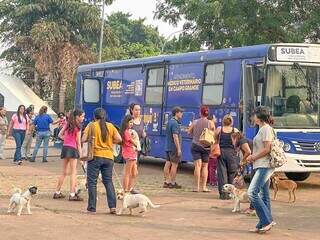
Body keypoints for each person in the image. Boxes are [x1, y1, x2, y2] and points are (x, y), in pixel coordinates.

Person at [82, 108, 122, 214]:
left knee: (92, 182)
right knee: (108, 181)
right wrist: (109, 141)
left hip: (95, 156)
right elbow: (119, 139)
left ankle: (92, 208)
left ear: (95, 117)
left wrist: (91, 139)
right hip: (109, 156)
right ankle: (112, 206)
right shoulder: (110, 126)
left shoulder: (91, 125)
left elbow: (83, 139)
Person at [246, 106, 275, 233]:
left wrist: (253, 157)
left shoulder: (266, 129)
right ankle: (264, 222)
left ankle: (266, 221)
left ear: (258, 117)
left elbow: (267, 148)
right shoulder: (262, 129)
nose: (253, 117)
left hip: (264, 165)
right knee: (264, 195)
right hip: (260, 164)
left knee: (252, 192)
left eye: (254, 115)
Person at [53, 109, 85, 201]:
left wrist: (66, 139)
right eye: (82, 116)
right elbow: (78, 143)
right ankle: (72, 194)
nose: (83, 118)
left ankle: (57, 192)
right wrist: (81, 157)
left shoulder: (67, 124)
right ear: (77, 116)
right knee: (73, 172)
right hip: (73, 149)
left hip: (65, 147)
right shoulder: (78, 127)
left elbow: (59, 134)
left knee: (64, 172)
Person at [188, 105, 215, 192]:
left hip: (195, 145)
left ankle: (196, 187)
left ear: (200, 113)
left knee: (197, 166)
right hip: (206, 147)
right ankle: (204, 187)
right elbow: (214, 134)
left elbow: (189, 132)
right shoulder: (210, 123)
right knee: (205, 166)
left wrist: (194, 134)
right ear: (207, 113)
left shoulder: (195, 122)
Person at [215, 114, 240, 199]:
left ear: (223, 121)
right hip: (231, 153)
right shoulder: (235, 130)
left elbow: (214, 140)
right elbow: (237, 143)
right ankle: (231, 194)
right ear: (231, 122)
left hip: (221, 152)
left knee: (222, 174)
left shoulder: (219, 129)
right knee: (232, 173)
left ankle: (223, 195)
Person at [163, 107, 183, 189]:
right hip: (173, 147)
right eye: (181, 112)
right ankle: (172, 182)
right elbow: (175, 136)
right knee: (174, 165)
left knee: (167, 164)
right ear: (177, 113)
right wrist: (178, 148)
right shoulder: (175, 123)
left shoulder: (169, 122)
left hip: (168, 146)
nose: (182, 114)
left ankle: (166, 181)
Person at [120, 115, 139, 193]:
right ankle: (126, 190)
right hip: (129, 153)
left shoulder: (127, 131)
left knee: (134, 172)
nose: (131, 124)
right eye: (130, 122)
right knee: (128, 172)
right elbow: (132, 142)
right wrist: (136, 143)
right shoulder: (126, 132)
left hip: (132, 153)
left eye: (132, 122)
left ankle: (129, 188)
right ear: (126, 123)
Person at [207, 115, 218, 186]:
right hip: (213, 147)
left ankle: (208, 179)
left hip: (209, 147)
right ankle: (213, 181)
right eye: (215, 117)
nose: (216, 119)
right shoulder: (211, 123)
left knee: (209, 165)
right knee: (213, 166)